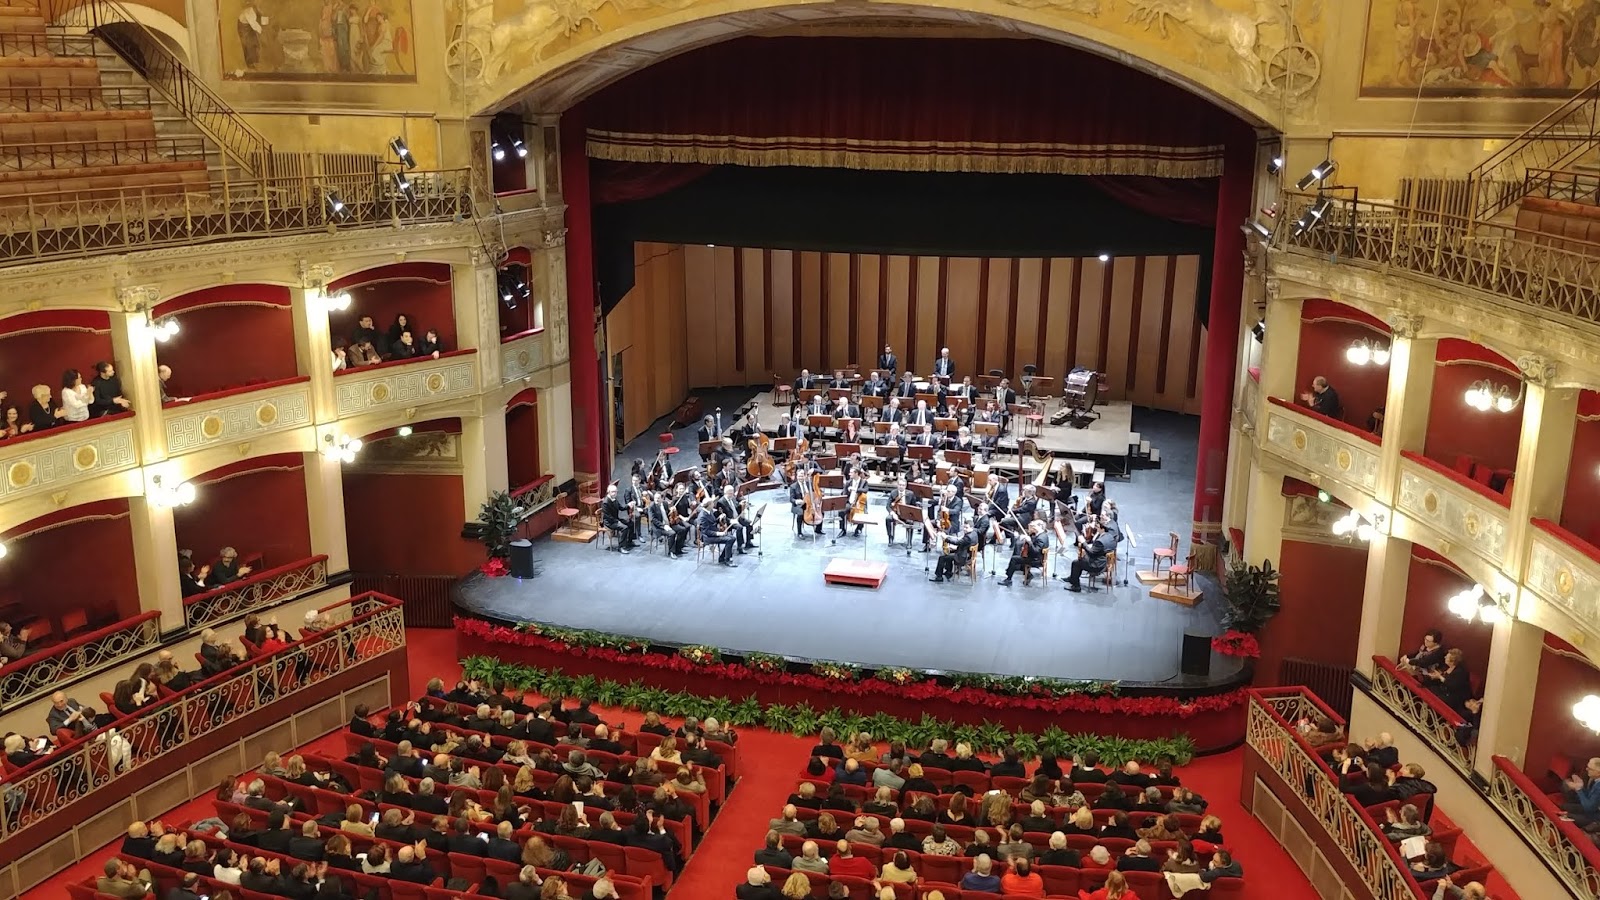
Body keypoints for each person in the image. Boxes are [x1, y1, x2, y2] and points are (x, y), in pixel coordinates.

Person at [1065, 522, 1115, 592]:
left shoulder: (1100, 541)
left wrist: (1083, 542)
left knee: (1076, 563)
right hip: (1105, 563)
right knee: (1082, 559)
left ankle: (1076, 586)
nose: (1096, 529)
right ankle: (1072, 578)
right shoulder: (1110, 537)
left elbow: (1091, 553)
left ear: (1103, 529)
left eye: (1098, 527)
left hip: (1097, 565)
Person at [697, 498, 737, 566]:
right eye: (712, 503)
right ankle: (727, 559)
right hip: (708, 537)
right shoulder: (702, 516)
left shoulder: (709, 511)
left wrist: (719, 518)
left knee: (732, 538)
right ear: (709, 505)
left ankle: (722, 558)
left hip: (714, 533)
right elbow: (706, 531)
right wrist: (719, 533)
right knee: (729, 540)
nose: (714, 504)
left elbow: (712, 522)